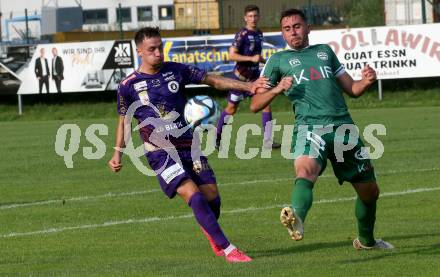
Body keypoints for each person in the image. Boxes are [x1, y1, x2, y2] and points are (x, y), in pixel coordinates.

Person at [108, 27, 268, 262]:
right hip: (160, 152)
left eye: (160, 47)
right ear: (139, 51)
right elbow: (123, 121)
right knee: (193, 195)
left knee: (213, 199)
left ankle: (213, 234)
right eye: (151, 49)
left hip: (188, 145)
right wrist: (117, 154)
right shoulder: (128, 85)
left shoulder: (177, 70)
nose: (158, 53)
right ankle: (228, 249)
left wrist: (248, 86)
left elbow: (213, 80)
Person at [250, 9, 394, 250]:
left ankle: (366, 241)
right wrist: (276, 89)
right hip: (309, 128)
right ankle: (295, 217)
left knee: (370, 192)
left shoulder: (324, 52)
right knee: (305, 172)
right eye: (287, 29)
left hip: (343, 128)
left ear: (307, 28)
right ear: (283, 34)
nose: (293, 32)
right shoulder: (277, 61)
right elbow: (255, 104)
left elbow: (353, 89)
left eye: (297, 26)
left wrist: (367, 82)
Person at [216, 4, 280, 149]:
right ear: (245, 18)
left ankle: (268, 141)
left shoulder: (259, 33)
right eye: (250, 16)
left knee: (266, 105)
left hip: (255, 78)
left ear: (259, 17)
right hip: (240, 80)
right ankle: (217, 138)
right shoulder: (242, 34)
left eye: (255, 16)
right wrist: (251, 59)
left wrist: (268, 61)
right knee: (231, 109)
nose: (253, 19)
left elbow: (256, 56)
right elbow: (232, 55)